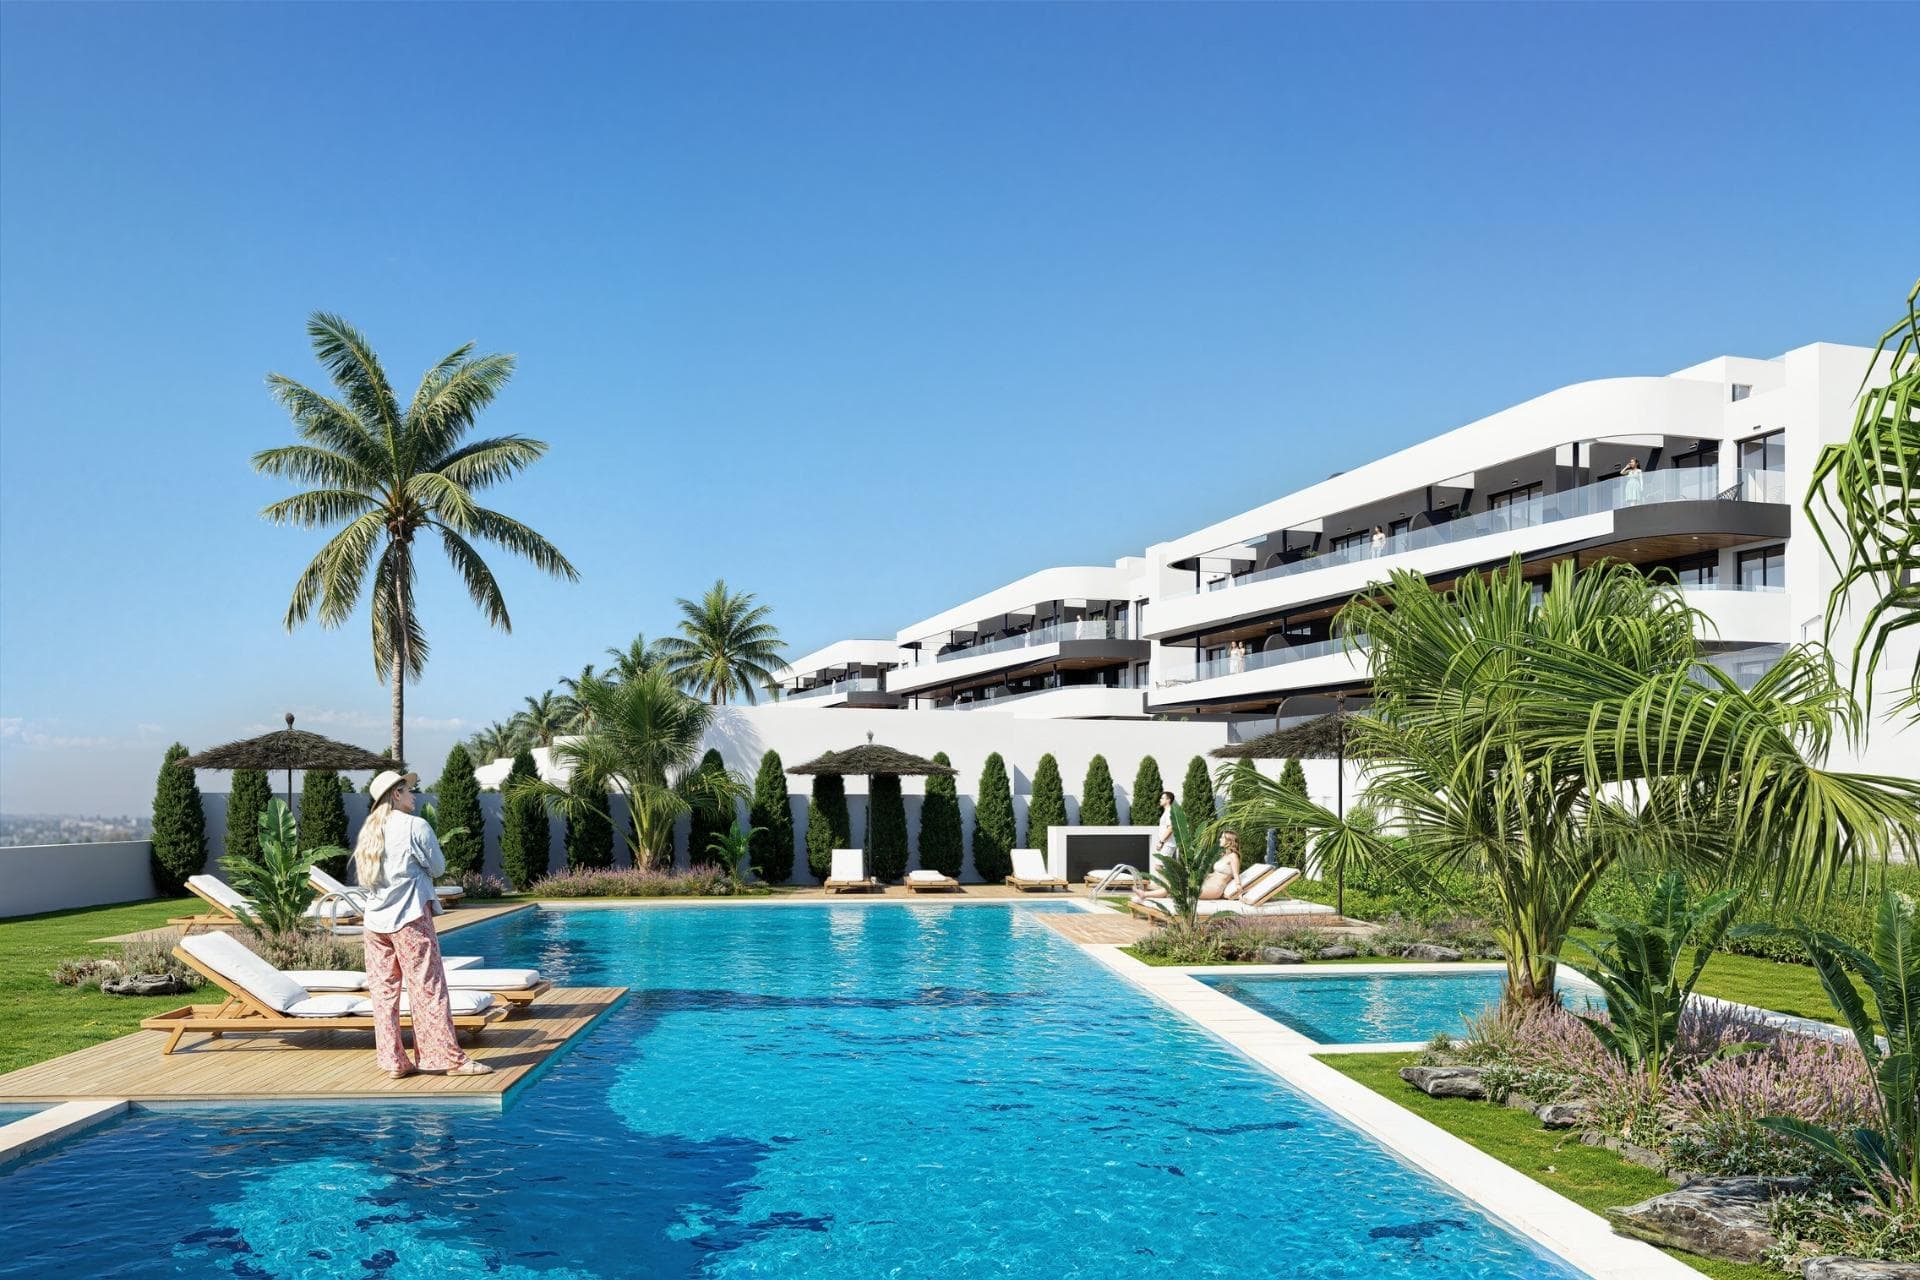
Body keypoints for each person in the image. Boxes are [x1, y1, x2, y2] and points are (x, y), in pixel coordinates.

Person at [352, 769, 492, 1081]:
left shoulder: (369, 831)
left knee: (383, 993)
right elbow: (439, 866)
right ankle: (449, 1060)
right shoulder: (416, 826)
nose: (414, 795)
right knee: (428, 988)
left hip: (374, 924)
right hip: (409, 920)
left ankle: (394, 1062)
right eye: (408, 790)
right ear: (396, 794)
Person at [1135, 791, 1180, 900]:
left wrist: (1161, 841)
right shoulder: (1166, 812)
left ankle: (1169, 888)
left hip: (1168, 844)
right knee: (1160, 866)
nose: (1160, 800)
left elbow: (1171, 828)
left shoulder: (1169, 812)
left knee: (1160, 866)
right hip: (1167, 843)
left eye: (1162, 798)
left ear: (1168, 800)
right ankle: (1167, 888)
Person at [1199, 831, 1245, 901]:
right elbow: (1217, 873)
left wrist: (1239, 890)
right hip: (1207, 883)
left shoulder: (1233, 856)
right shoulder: (1225, 856)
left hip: (1215, 888)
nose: (1220, 839)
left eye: (1223, 837)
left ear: (1229, 841)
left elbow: (1236, 874)